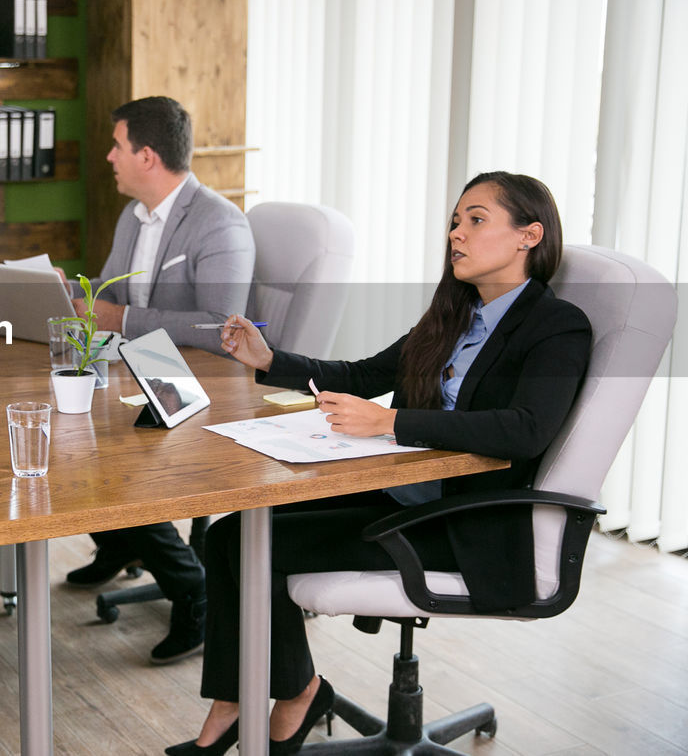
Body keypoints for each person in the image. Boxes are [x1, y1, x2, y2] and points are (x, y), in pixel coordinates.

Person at [166, 172, 592, 756]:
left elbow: (525, 430)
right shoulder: (456, 313)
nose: (456, 234)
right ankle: (257, 695)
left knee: (251, 544)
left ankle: (285, 696)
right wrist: (270, 359)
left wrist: (390, 423)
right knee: (233, 534)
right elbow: (366, 375)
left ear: (529, 235)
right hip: (405, 494)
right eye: (454, 221)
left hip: (463, 521)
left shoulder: (557, 326)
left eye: (476, 220)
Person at [62, 96, 255, 665]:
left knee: (112, 454)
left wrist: (121, 320)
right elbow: (118, 290)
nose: (109, 156)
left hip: (203, 379)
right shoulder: (134, 216)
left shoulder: (222, 224)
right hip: (143, 361)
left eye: (117, 146)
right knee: (68, 428)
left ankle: (191, 589)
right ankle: (121, 541)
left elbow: (221, 326)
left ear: (146, 155)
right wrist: (78, 293)